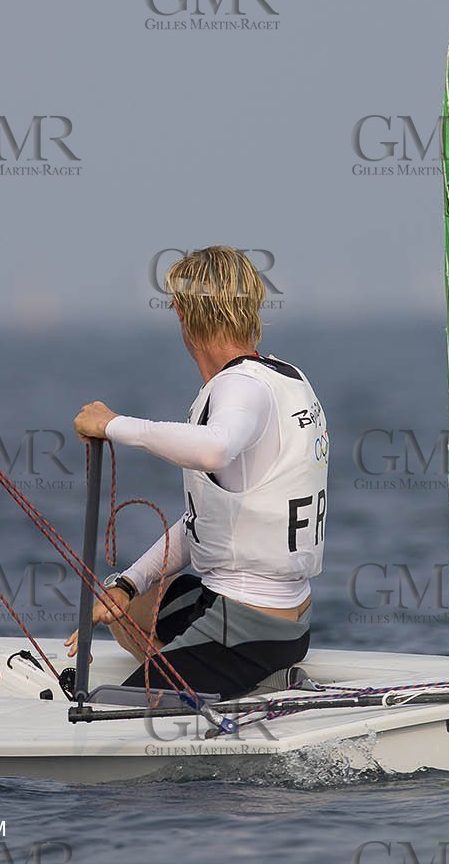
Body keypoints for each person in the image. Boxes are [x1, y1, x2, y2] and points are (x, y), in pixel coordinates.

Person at [64, 246, 328, 698]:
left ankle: (222, 687)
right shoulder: (285, 376)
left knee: (116, 711)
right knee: (123, 603)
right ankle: (214, 683)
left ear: (184, 313)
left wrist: (112, 424)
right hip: (281, 616)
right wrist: (129, 584)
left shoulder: (240, 388)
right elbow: (202, 525)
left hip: (250, 627)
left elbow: (215, 449)